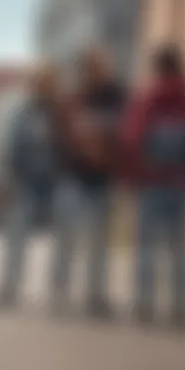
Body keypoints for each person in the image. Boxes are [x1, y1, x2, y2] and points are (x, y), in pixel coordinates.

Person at [121, 44, 185, 326]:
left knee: (146, 246)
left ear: (157, 67)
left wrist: (133, 177)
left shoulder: (148, 97)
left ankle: (145, 303)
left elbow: (133, 140)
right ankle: (181, 306)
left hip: (151, 182)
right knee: (180, 248)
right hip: (179, 183)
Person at [50, 47, 127, 318]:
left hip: (102, 181)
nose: (103, 70)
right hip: (73, 179)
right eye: (96, 65)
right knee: (66, 241)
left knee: (99, 244)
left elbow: (124, 136)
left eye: (104, 65)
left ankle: (95, 295)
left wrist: (112, 162)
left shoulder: (116, 97)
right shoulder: (72, 100)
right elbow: (59, 138)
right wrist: (76, 155)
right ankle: (59, 293)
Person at [0, 64, 61, 306]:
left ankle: (57, 290)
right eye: (40, 82)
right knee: (16, 238)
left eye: (48, 82)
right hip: (25, 182)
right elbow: (11, 146)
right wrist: (12, 177)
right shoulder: (23, 113)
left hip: (55, 183)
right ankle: (9, 286)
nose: (44, 87)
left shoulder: (60, 113)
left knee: (61, 242)